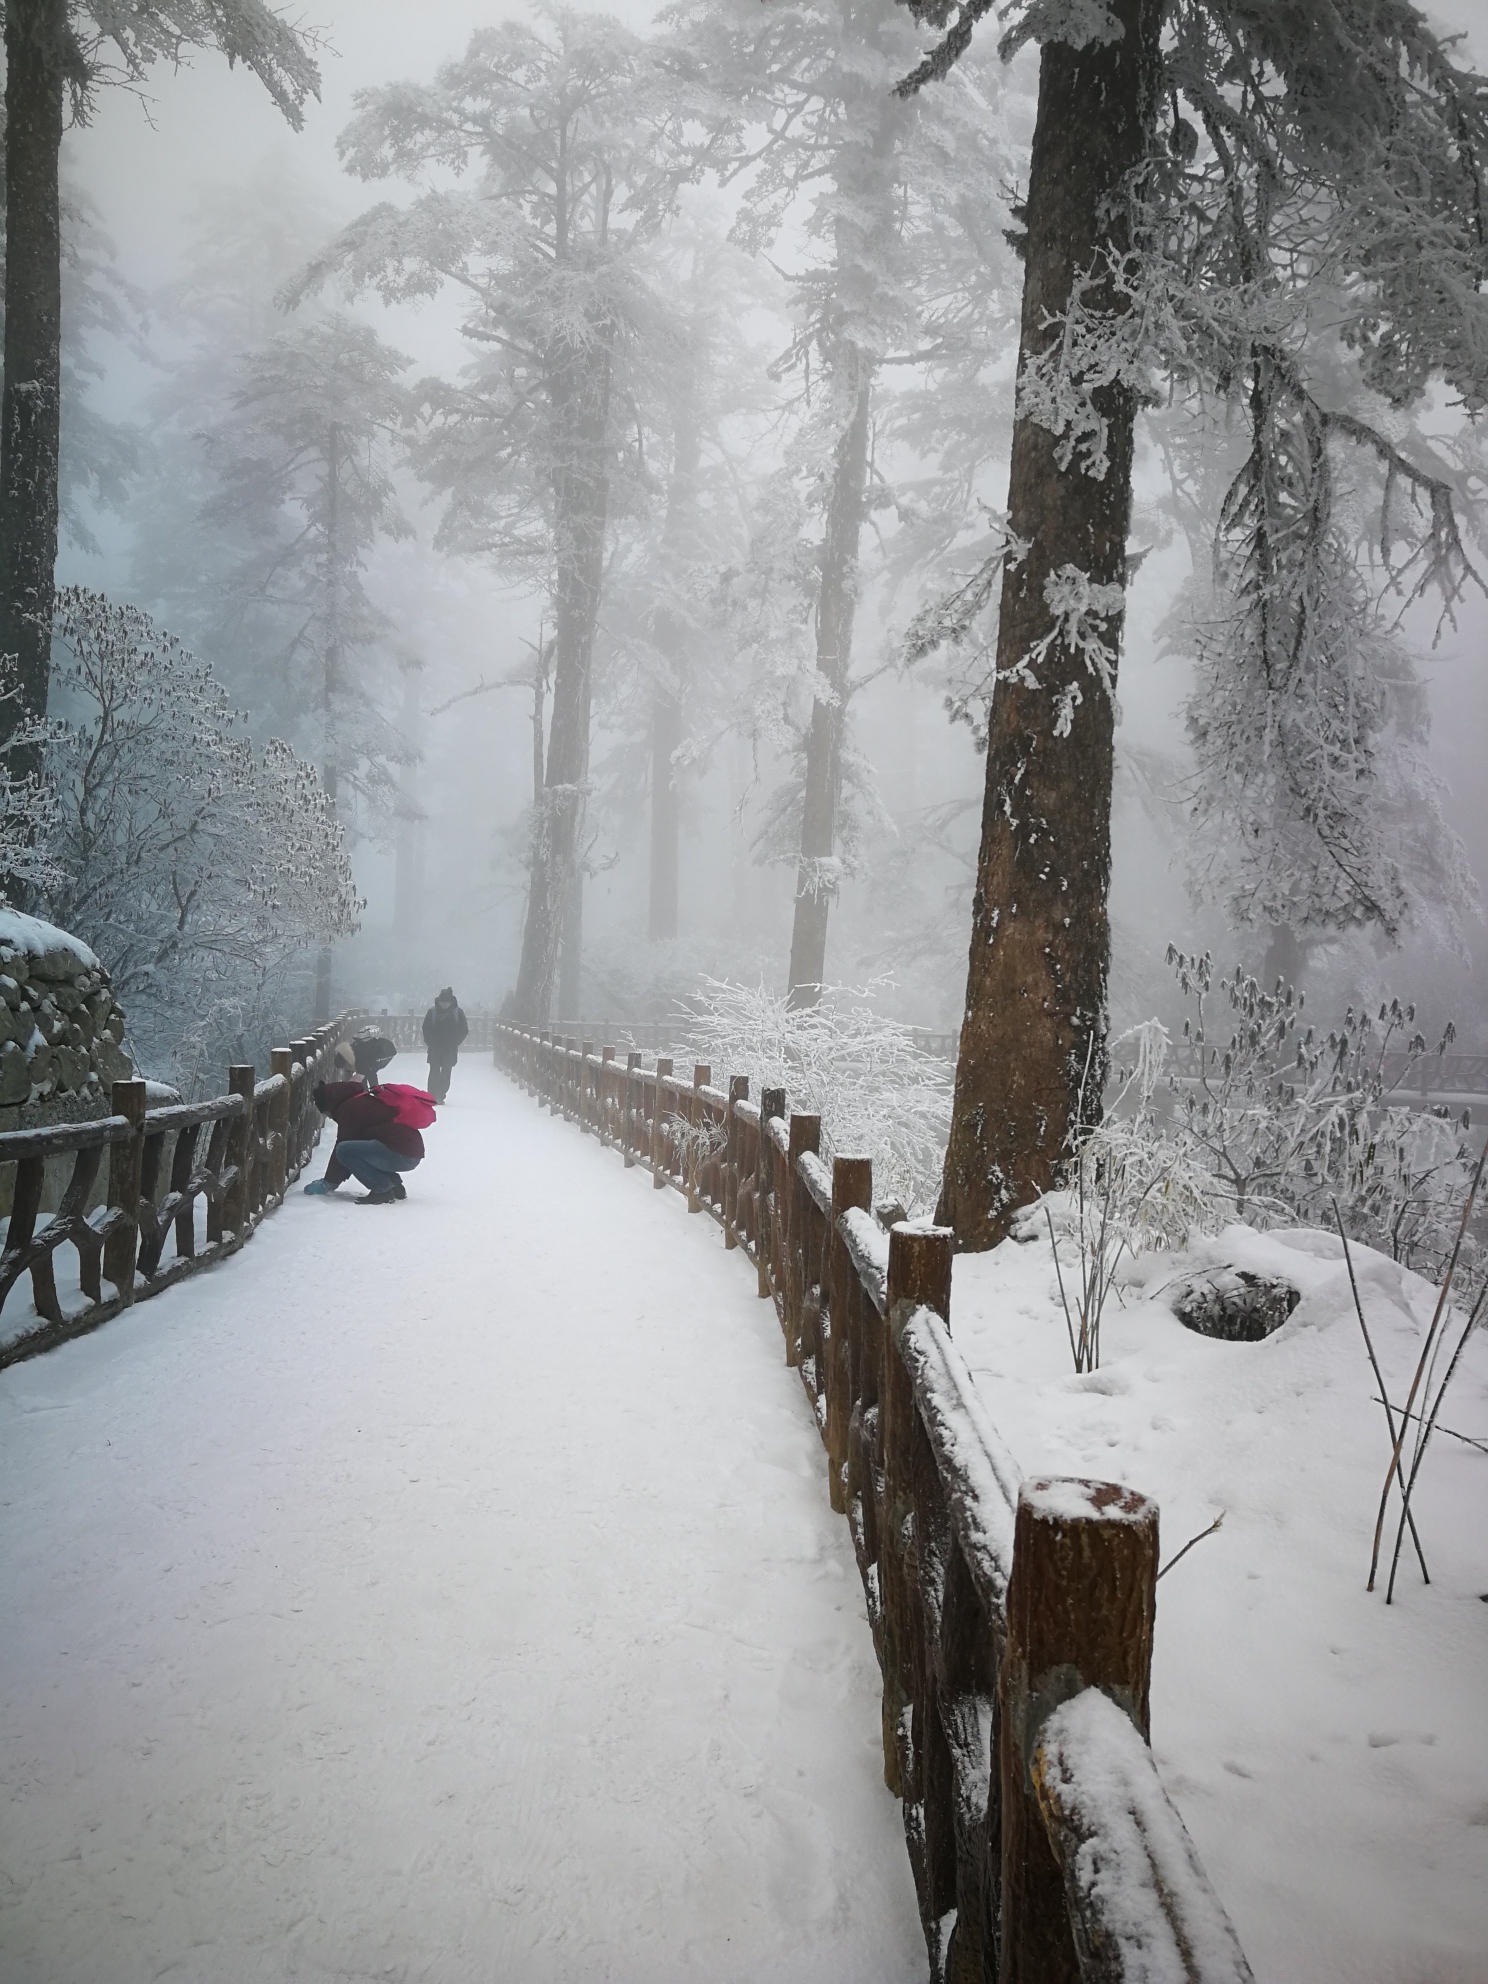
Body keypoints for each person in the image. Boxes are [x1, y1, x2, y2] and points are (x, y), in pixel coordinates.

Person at [304, 1068, 426, 1204]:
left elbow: (344, 1147)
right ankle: (393, 1184)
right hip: (409, 1153)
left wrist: (328, 1183)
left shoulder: (350, 1109)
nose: (329, 1117)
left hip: (402, 1155)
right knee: (356, 1150)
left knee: (344, 1150)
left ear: (329, 1105)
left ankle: (382, 1189)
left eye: (326, 1113)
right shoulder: (360, 1100)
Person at [422, 987, 468, 1103]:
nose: (444, 1004)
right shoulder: (432, 1012)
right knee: (434, 1072)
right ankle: (431, 1095)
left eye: (446, 1002)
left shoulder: (458, 1013)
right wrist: (430, 1042)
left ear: (451, 1002)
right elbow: (425, 1028)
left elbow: (464, 1030)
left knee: (446, 1073)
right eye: (442, 1002)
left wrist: (455, 1042)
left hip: (450, 1049)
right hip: (435, 1048)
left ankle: (441, 1094)